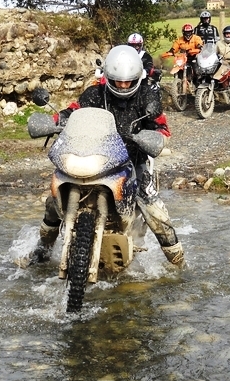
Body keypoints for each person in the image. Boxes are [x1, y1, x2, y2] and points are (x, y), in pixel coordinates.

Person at [34, 45, 185, 266]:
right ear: (108, 77)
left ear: (137, 78)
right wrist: (53, 122)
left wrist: (154, 138)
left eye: (128, 82)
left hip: (133, 159)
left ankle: (179, 263)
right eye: (117, 82)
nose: (123, 86)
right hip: (96, 155)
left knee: (155, 212)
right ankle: (41, 252)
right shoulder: (95, 93)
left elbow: (163, 130)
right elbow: (73, 111)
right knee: (53, 203)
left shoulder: (147, 96)